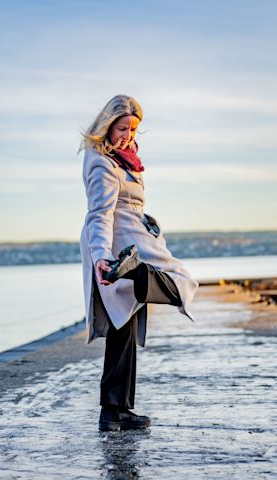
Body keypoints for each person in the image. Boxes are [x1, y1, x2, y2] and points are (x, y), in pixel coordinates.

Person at [78, 95, 199, 432]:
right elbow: (99, 215)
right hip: (117, 249)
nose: (128, 135)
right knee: (177, 283)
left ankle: (115, 411)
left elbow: (128, 203)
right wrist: (102, 257)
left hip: (135, 242)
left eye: (133, 129)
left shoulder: (124, 161)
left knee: (124, 329)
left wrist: (147, 219)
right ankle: (113, 410)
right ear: (107, 125)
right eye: (122, 128)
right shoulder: (102, 163)